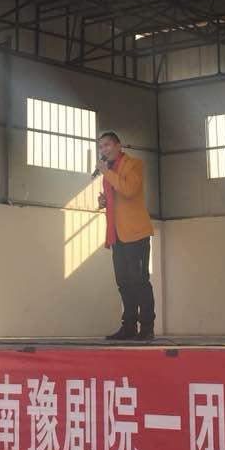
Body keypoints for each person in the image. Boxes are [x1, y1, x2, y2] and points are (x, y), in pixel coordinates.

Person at [94, 131, 156, 341]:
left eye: (107, 145)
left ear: (118, 146)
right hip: (116, 235)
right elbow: (116, 196)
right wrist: (104, 201)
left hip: (135, 233)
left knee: (140, 281)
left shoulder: (134, 164)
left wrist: (106, 172)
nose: (104, 149)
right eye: (101, 146)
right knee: (123, 282)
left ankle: (146, 328)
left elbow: (129, 190)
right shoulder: (109, 171)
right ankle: (128, 326)